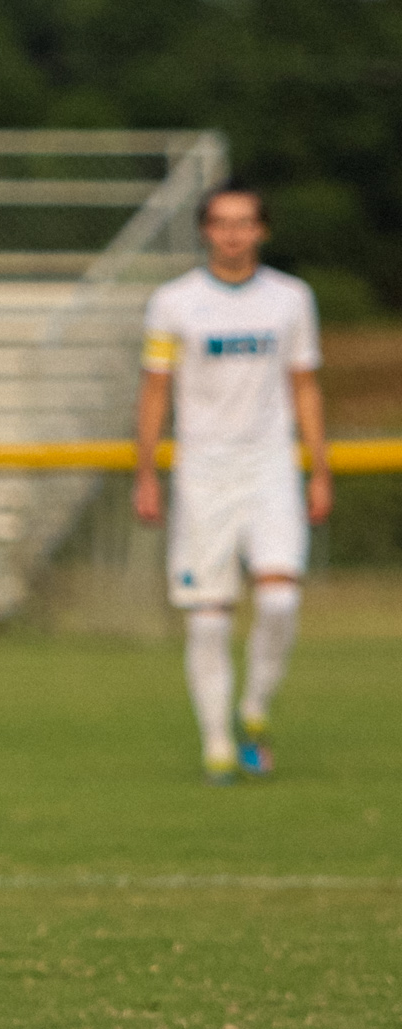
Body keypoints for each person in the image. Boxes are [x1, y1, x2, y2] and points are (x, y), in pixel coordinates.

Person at [134, 182, 330, 784]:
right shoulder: (173, 302)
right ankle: (218, 741)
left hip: (271, 466)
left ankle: (254, 708)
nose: (232, 233)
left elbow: (304, 385)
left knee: (279, 600)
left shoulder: (291, 299)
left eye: (244, 222)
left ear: (261, 230)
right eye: (221, 222)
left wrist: (318, 469)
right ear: (205, 230)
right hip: (203, 474)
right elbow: (155, 389)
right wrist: (147, 472)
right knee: (210, 618)